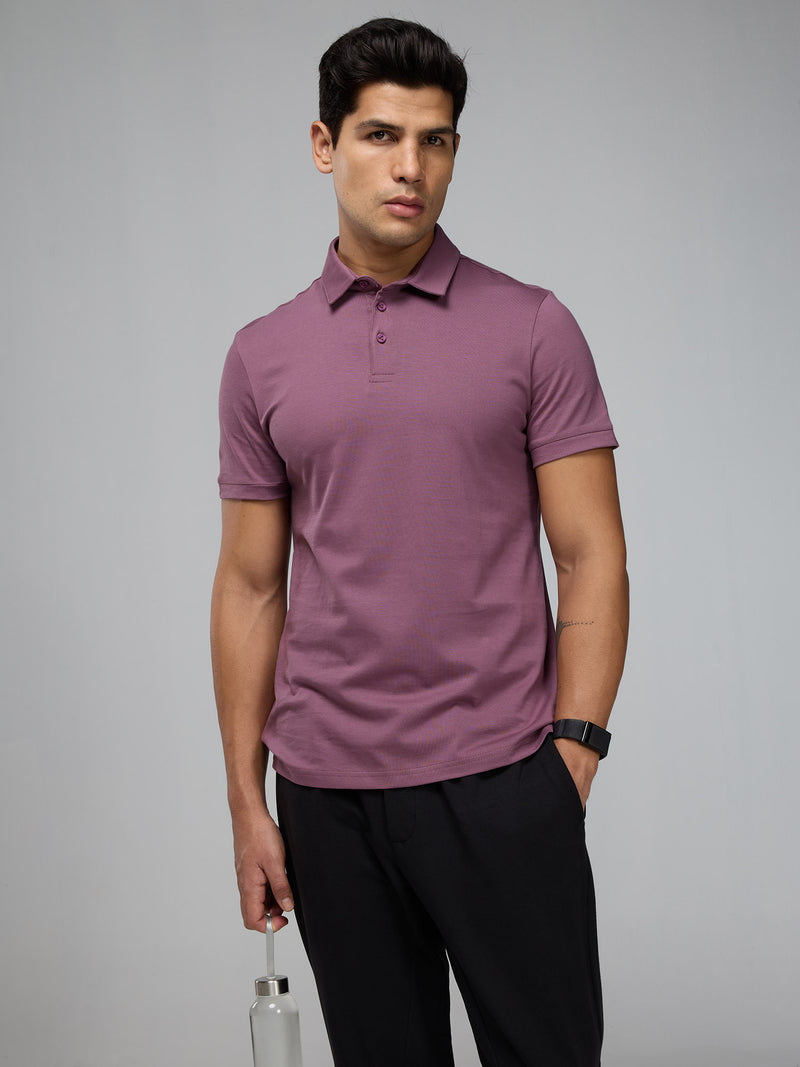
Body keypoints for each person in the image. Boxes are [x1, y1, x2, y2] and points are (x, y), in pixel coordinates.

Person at [211, 17, 629, 1066]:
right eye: (380, 135)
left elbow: (591, 555)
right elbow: (251, 585)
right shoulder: (261, 356)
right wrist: (247, 801)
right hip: (327, 799)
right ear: (324, 145)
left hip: (501, 778)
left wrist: (571, 755)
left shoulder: (532, 327)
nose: (410, 167)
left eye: (433, 140)